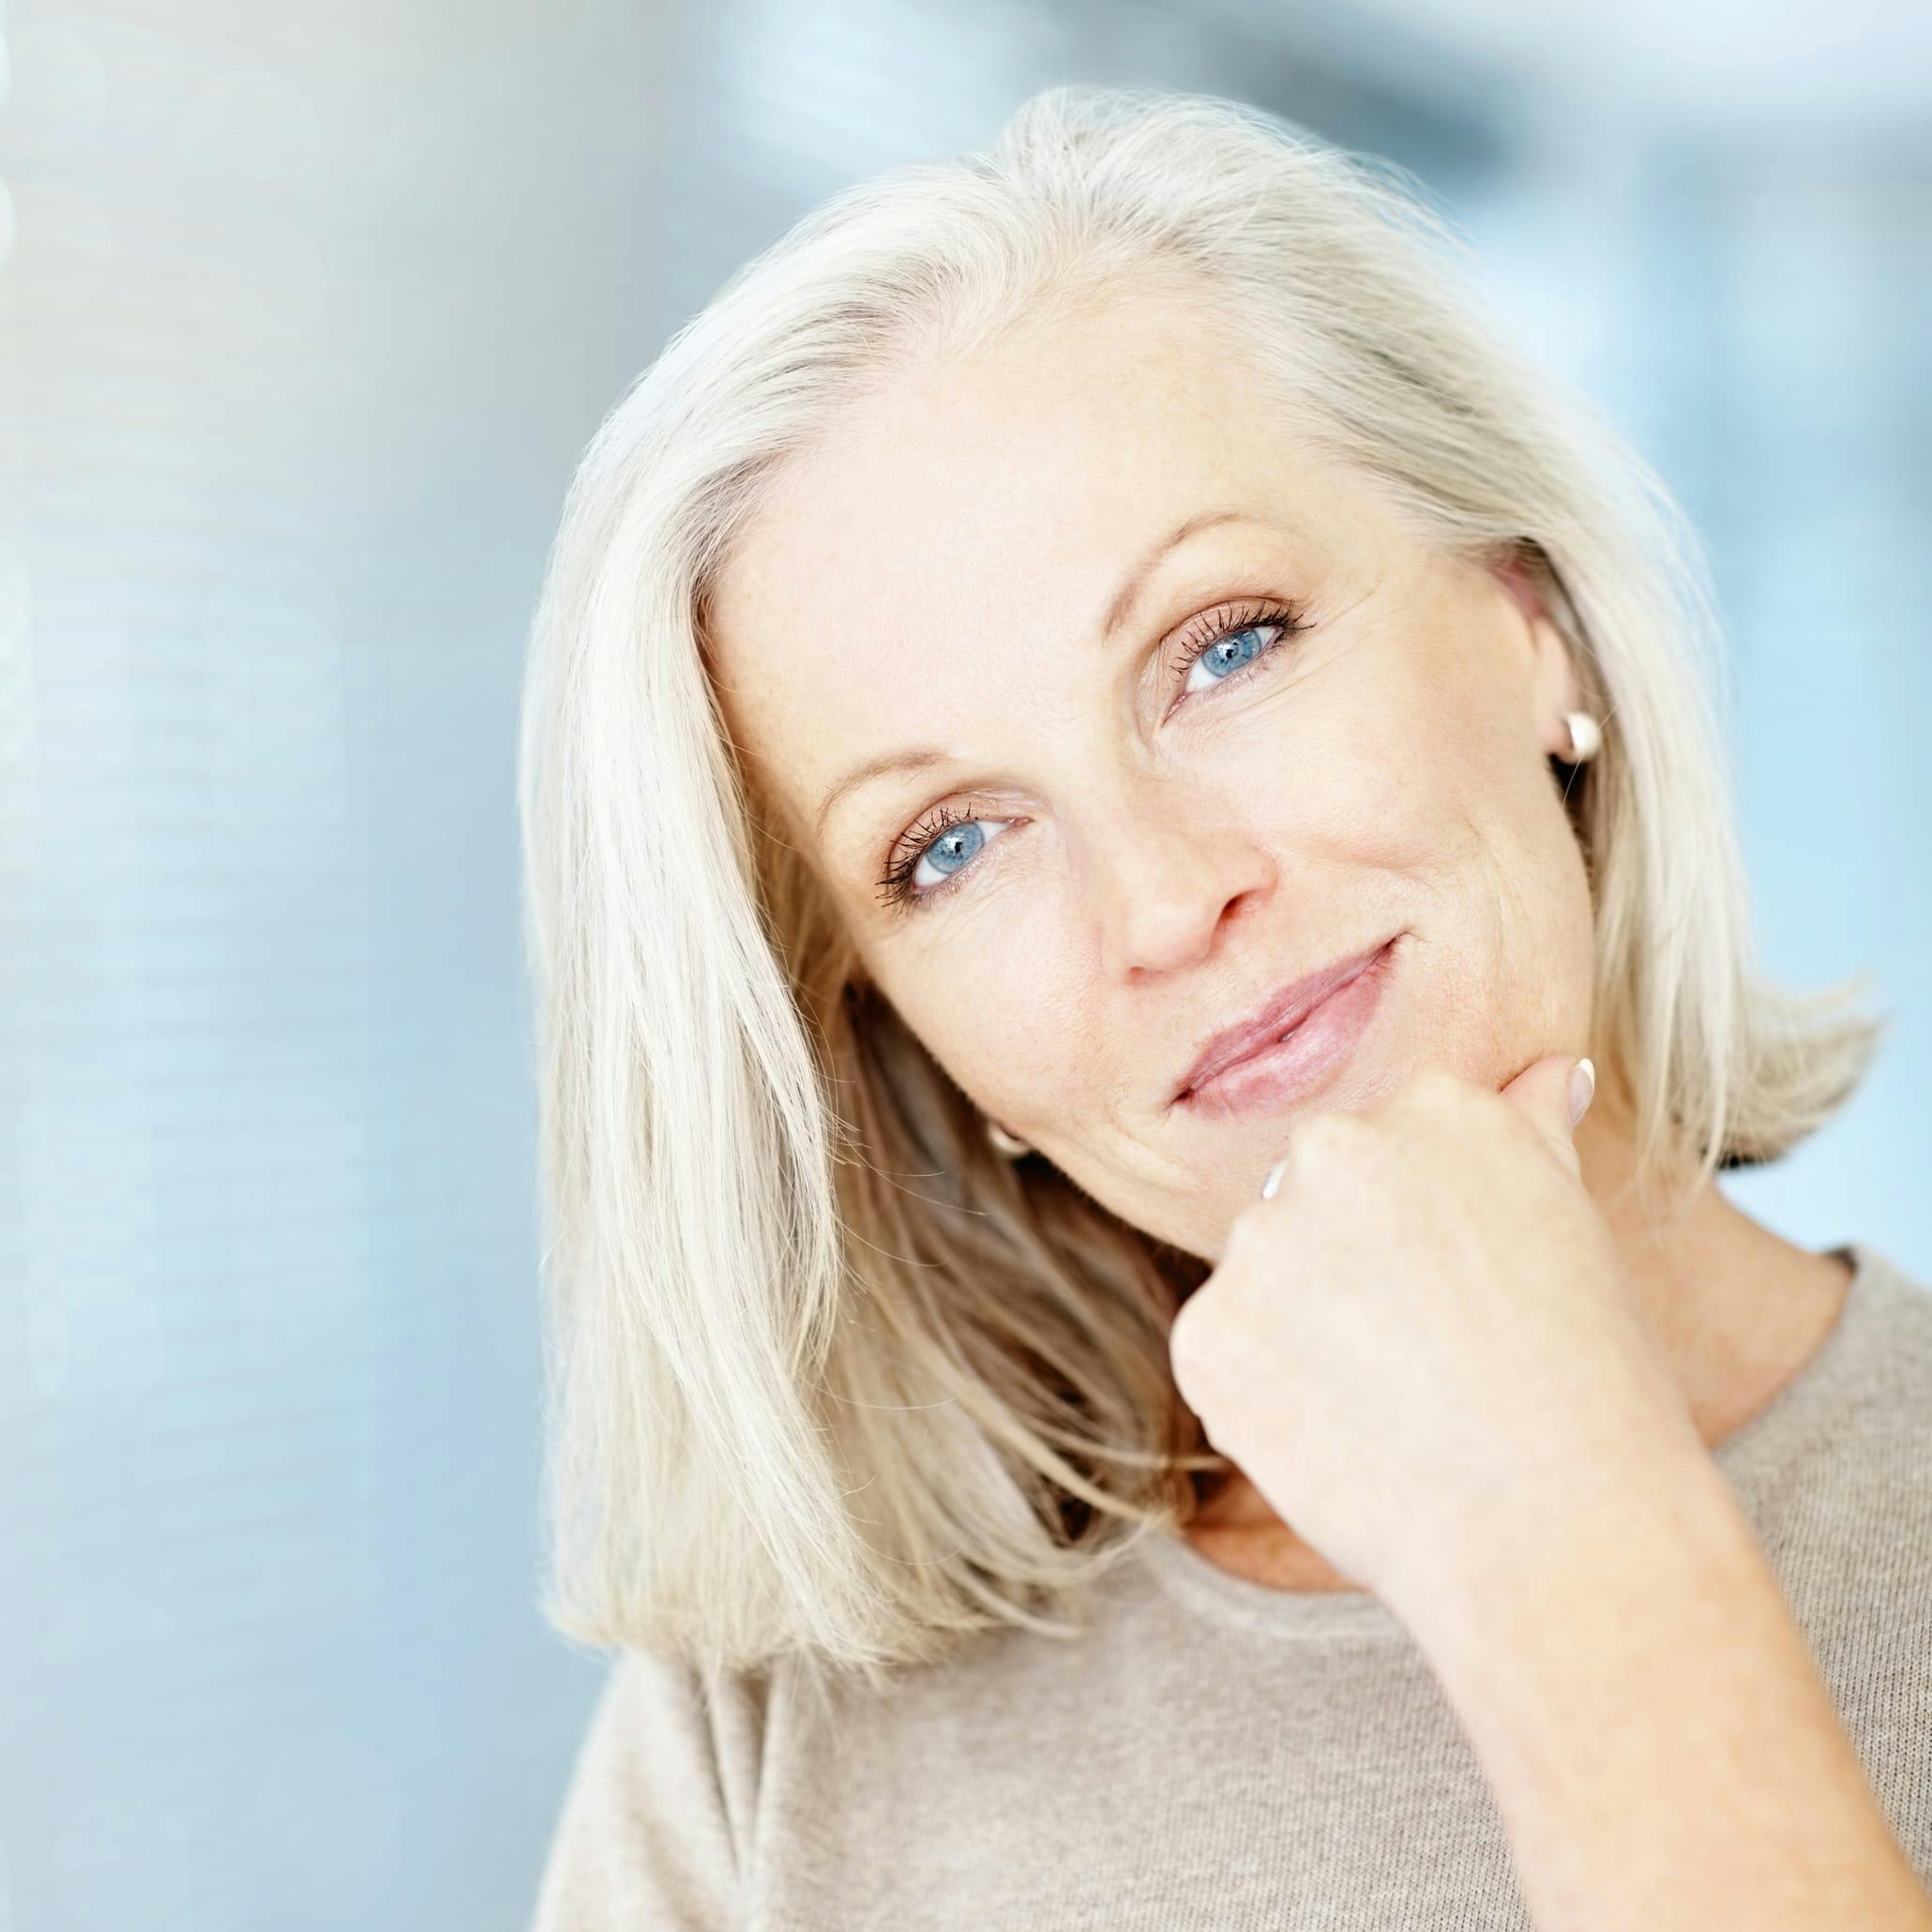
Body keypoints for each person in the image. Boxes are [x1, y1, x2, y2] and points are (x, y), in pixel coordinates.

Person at [518, 83, 1932, 1930]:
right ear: (900, 1035)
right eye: (952, 844)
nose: (1171, 899)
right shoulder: (774, 1744)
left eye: (1225, 647)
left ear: (1531, 628)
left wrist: (1570, 1542)